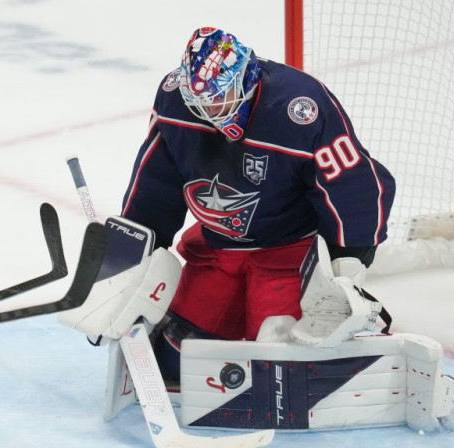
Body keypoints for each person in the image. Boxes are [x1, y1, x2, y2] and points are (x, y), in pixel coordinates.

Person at [117, 27, 396, 381]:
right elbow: (156, 174)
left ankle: (361, 337)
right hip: (219, 250)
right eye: (200, 99)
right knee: (178, 360)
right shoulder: (175, 98)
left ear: (246, 78)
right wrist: (135, 246)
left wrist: (348, 257)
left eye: (221, 96)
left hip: (288, 253)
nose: (209, 108)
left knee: (279, 363)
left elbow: (352, 183)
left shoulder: (300, 108)